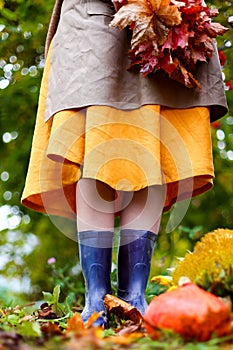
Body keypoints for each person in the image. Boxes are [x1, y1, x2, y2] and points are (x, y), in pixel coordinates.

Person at [21, 0, 228, 327]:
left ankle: (134, 296)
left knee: (153, 142)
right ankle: (97, 297)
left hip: (169, 17)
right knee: (97, 145)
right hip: (94, 18)